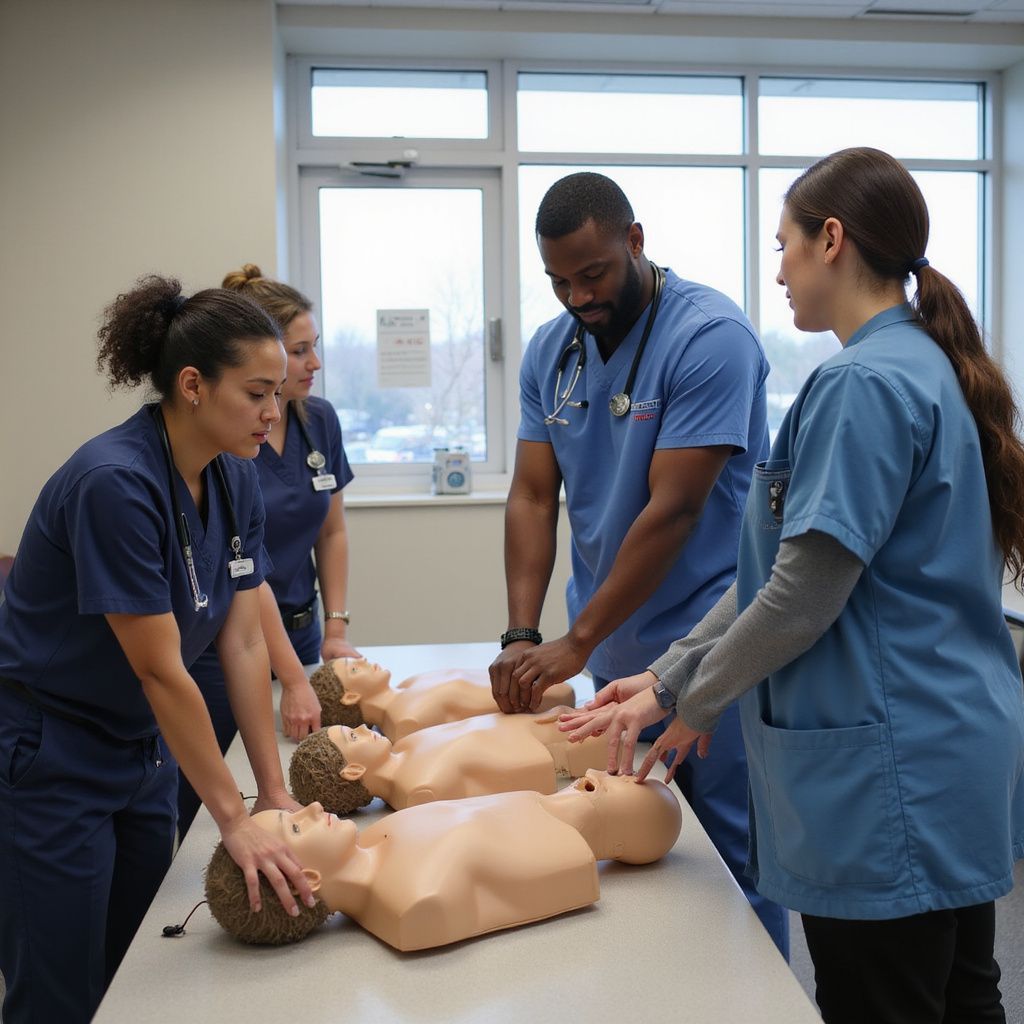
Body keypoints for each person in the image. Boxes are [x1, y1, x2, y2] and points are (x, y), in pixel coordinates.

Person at [561, 147, 1024, 1024]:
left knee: (885, 1000)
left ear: (832, 241)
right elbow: (778, 571)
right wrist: (667, 678)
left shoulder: (863, 385)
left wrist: (694, 709)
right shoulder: (916, 364)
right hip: (948, 750)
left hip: (894, 773)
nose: (776, 272)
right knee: (961, 995)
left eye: (785, 246)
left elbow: (803, 597)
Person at [0, 276, 317, 1024]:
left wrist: (269, 795)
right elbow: (159, 666)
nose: (275, 413)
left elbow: (242, 638)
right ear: (192, 385)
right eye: (258, 392)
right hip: (50, 755)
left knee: (143, 968)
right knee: (61, 987)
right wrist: (231, 822)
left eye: (280, 392)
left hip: (141, 750)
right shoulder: (115, 483)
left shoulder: (234, 477)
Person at [488, 171, 787, 952]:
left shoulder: (708, 337)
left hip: (711, 654)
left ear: (635, 241)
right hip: (615, 656)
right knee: (643, 869)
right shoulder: (552, 354)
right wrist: (524, 632)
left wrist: (576, 641)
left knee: (730, 867)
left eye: (593, 275)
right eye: (559, 282)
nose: (578, 297)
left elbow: (675, 510)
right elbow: (530, 495)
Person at [176, 264, 358, 834]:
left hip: (293, 633)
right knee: (208, 808)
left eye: (313, 348)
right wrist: (294, 681)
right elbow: (243, 585)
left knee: (272, 789)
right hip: (221, 645)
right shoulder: (229, 443)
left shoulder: (314, 421)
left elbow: (331, 531)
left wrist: (334, 628)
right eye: (300, 350)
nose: (314, 364)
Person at [205, 771, 682, 950]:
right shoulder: (417, 902)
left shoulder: (380, 838)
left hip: (579, 807)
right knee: (655, 804)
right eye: (295, 827)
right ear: (307, 878)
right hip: (601, 823)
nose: (309, 808)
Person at [288, 709, 610, 813]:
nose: (362, 727)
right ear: (353, 770)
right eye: (353, 737)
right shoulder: (421, 791)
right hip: (559, 755)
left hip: (547, 726)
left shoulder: (407, 744)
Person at [310, 656, 575, 740]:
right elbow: (482, 731)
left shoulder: (408, 684)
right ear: (351, 696)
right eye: (354, 669)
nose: (363, 660)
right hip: (543, 707)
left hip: (545, 684)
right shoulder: (408, 723)